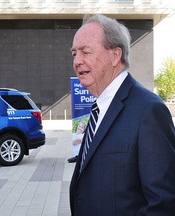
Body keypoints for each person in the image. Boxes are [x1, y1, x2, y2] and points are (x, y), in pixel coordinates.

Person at [69, 14, 175, 215]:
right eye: (74, 53)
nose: (77, 61)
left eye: (85, 52)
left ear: (115, 56)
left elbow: (163, 203)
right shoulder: (99, 107)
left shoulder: (148, 111)